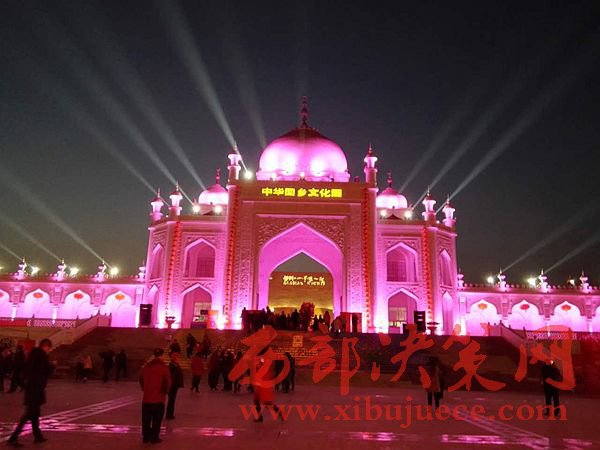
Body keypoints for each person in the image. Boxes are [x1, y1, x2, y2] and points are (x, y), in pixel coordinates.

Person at [7, 338, 55, 447]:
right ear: (46, 346)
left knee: (34, 414)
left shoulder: (33, 355)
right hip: (36, 389)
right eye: (48, 348)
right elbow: (44, 371)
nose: (49, 350)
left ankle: (37, 436)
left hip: (32, 387)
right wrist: (52, 366)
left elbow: (29, 369)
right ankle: (13, 438)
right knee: (29, 414)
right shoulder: (41, 356)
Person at [140, 348, 171, 444]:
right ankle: (154, 437)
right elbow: (168, 382)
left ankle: (146, 437)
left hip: (147, 398)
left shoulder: (147, 366)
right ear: (162, 355)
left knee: (146, 419)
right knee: (157, 419)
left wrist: (145, 389)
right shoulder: (164, 367)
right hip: (158, 398)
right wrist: (165, 392)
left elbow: (141, 379)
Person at [252, 350, 284, 423]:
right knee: (257, 402)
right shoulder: (262, 361)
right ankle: (260, 417)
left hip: (263, 386)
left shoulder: (264, 361)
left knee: (267, 403)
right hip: (260, 385)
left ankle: (280, 413)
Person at [166, 352, 183, 420]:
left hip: (175, 384)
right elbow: (172, 376)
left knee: (172, 400)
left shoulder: (175, 365)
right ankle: (169, 414)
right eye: (177, 357)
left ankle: (170, 414)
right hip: (173, 385)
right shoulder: (172, 366)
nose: (178, 358)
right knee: (171, 400)